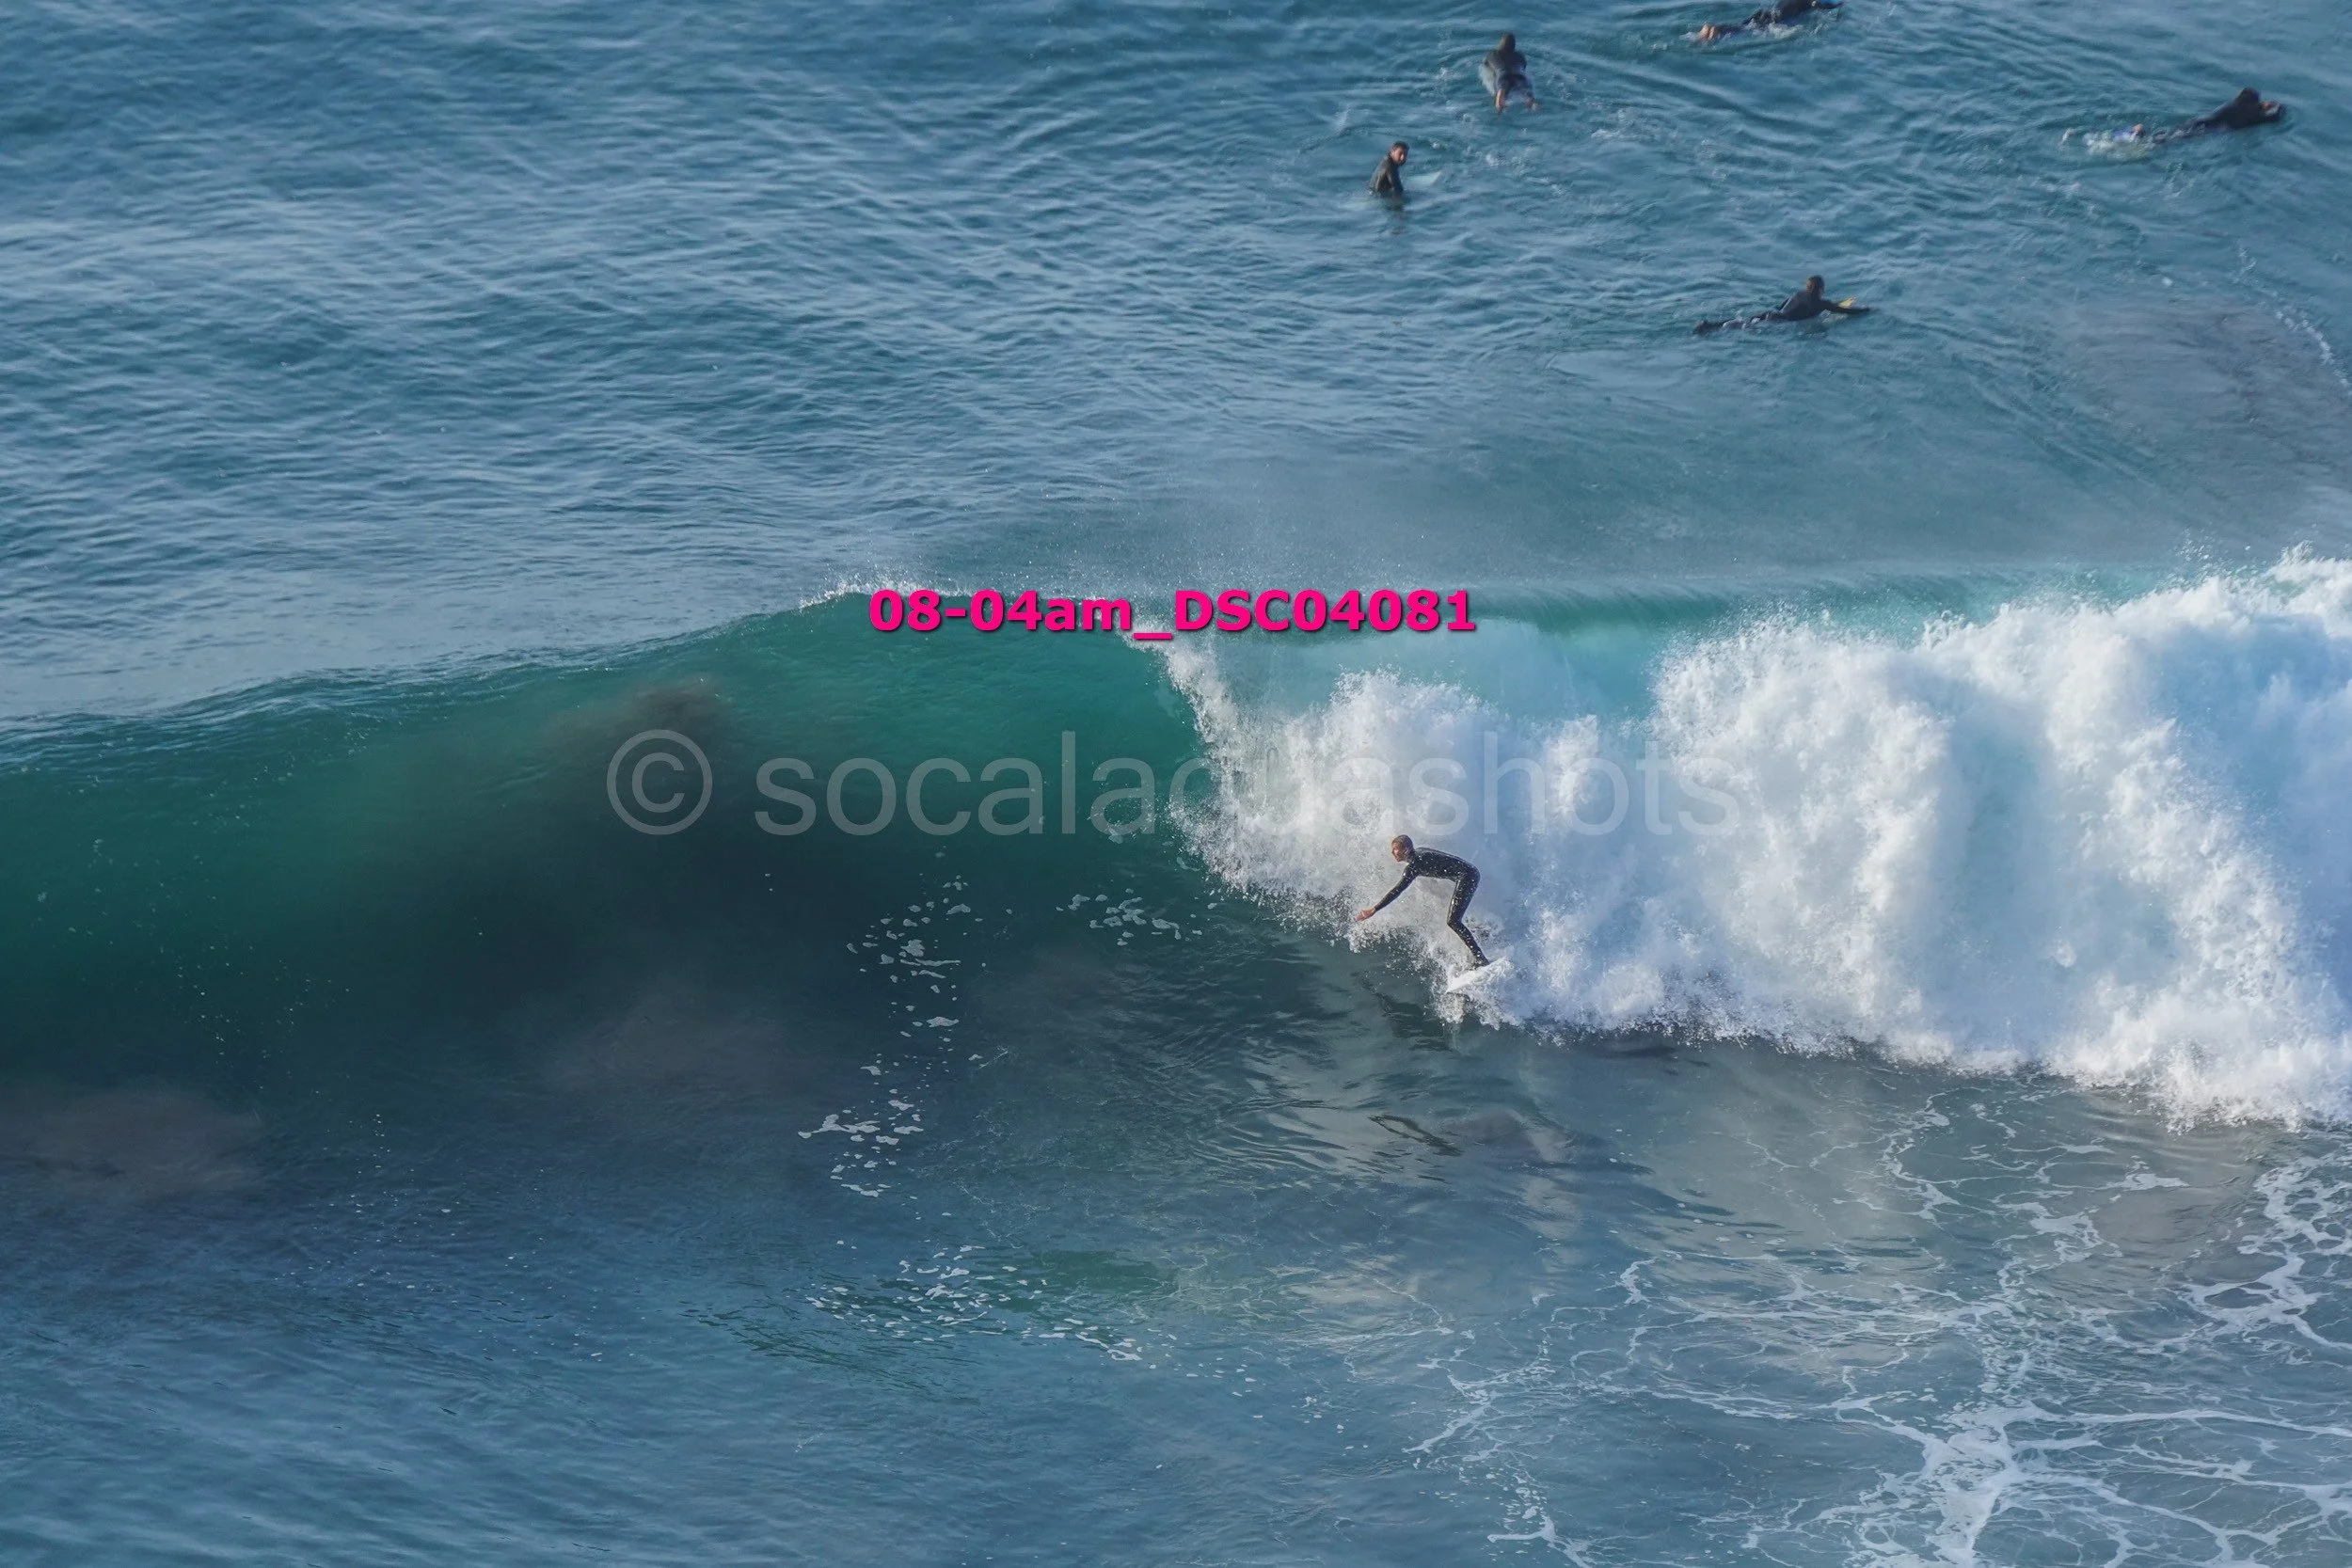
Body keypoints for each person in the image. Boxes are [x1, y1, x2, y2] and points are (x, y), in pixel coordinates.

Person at [1355, 834, 1489, 965]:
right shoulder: (1419, 855)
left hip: (1467, 876)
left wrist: (1374, 909)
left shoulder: (1415, 865)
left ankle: (1480, 959)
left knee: (1453, 921)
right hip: (1468, 873)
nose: (1392, 852)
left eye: (1395, 849)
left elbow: (1397, 890)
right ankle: (1482, 933)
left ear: (1406, 850)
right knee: (1456, 918)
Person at [1694, 276, 1870, 333]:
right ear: (1821, 289)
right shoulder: (1821, 303)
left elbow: (1780, 306)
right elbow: (1843, 311)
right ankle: (1718, 329)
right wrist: (1866, 310)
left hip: (1772, 313)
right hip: (1779, 322)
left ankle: (1711, 326)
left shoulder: (1798, 294)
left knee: (1745, 320)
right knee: (1747, 328)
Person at [2119, 88, 2285, 145]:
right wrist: (2267, 106)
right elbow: (2278, 112)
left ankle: (2140, 135)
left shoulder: (2232, 107)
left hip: (2201, 122)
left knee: (2173, 133)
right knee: (2173, 140)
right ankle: (2142, 137)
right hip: (2209, 130)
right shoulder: (2252, 117)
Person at [1697, 0, 1839, 43]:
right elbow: (1823, 6)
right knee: (1748, 30)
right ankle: (1716, 31)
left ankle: (1714, 30)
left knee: (1744, 26)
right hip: (1778, 21)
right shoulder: (1811, 1)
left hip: (1768, 13)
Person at [1484, 33, 1538, 110]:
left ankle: (1499, 109)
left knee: (1501, 90)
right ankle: (1534, 105)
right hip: (1518, 74)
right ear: (1514, 46)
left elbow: (1486, 64)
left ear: (1500, 44)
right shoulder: (1520, 56)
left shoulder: (1493, 54)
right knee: (1527, 95)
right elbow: (1524, 66)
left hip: (1503, 75)